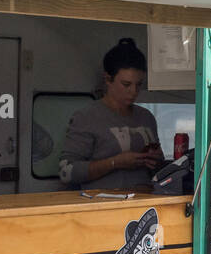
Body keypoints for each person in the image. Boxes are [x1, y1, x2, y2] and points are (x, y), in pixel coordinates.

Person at [59, 38, 163, 190]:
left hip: (145, 205)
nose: (133, 91)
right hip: (105, 208)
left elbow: (156, 171)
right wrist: (115, 163)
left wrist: (157, 161)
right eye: (126, 84)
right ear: (108, 79)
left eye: (139, 84)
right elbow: (66, 172)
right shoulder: (86, 117)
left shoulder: (147, 117)